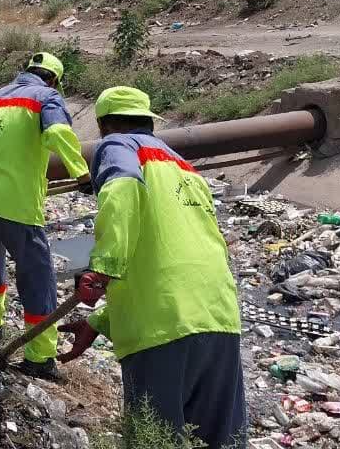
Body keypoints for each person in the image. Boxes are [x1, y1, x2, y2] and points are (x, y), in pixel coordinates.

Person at [57, 86, 245, 448]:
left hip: (161, 327)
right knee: (221, 438)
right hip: (219, 316)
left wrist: (103, 266)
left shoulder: (117, 146)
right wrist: (99, 322)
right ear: (150, 123)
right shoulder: (185, 167)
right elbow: (172, 256)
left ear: (104, 125)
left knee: (155, 439)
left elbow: (123, 187)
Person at [0, 52, 91, 380]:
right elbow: (58, 134)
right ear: (55, 79)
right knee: (37, 277)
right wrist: (82, 174)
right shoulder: (47, 97)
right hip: (15, 204)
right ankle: (40, 356)